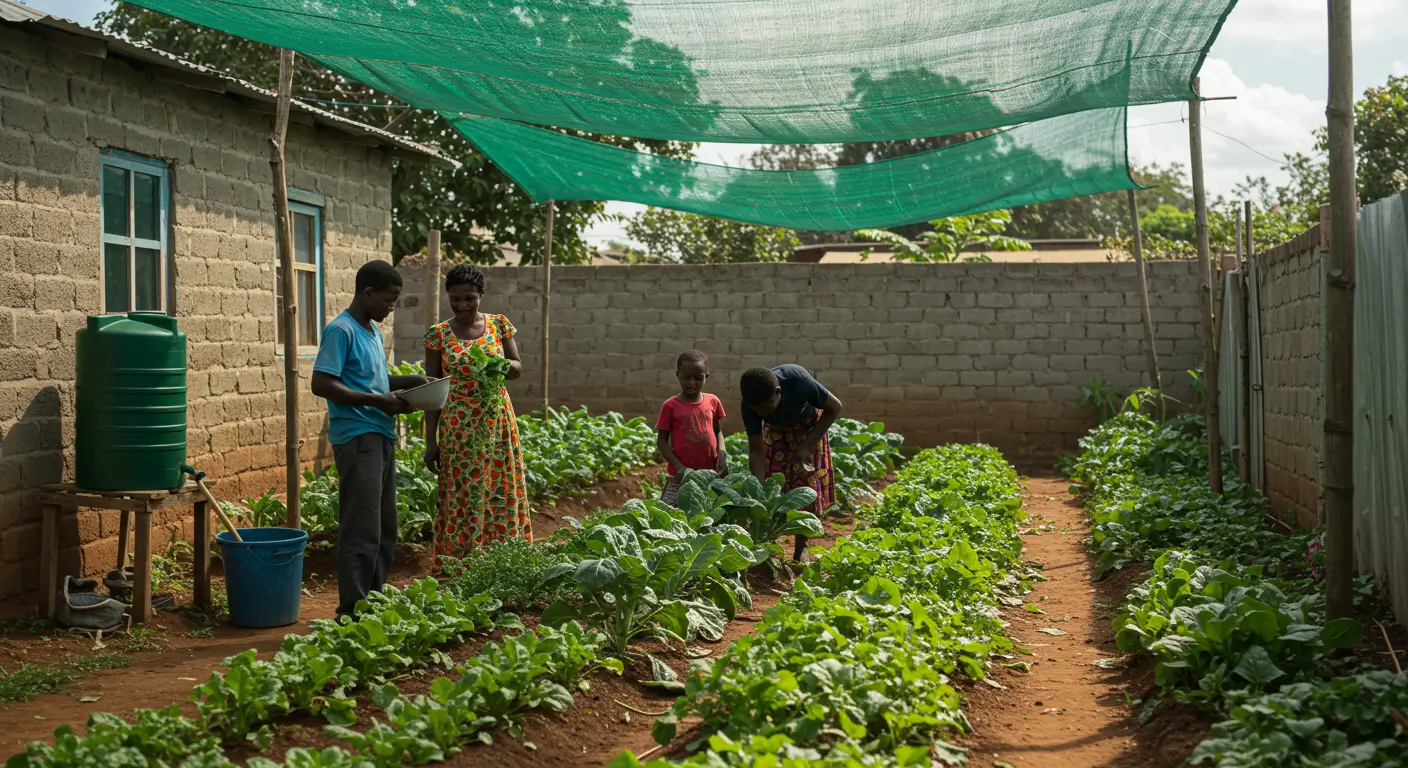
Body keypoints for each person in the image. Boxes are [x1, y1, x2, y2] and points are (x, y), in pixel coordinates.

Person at [311, 260, 427, 620]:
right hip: (358, 437)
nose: (391, 308)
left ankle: (373, 601)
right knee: (361, 528)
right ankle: (353, 610)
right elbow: (322, 383)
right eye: (389, 301)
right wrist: (379, 401)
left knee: (384, 527)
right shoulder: (341, 331)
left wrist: (408, 382)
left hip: (379, 434)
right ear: (368, 292)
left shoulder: (371, 331)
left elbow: (370, 379)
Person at [423, 264, 531, 562]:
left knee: (500, 486)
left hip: (496, 420)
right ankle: (461, 559)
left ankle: (503, 559)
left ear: (481, 294)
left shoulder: (498, 325)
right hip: (458, 425)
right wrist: (431, 442)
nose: (462, 305)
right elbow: (432, 391)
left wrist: (501, 366)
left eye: (469, 298)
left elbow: (518, 366)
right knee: (463, 491)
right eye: (455, 299)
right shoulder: (438, 335)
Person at [739, 365, 843, 561]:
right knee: (772, 484)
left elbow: (834, 407)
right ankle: (769, 544)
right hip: (776, 432)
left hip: (808, 428)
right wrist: (759, 489)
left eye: (768, 407)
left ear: (778, 392)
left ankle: (801, 547)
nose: (762, 413)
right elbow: (756, 449)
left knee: (806, 486)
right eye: (757, 411)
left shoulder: (799, 381)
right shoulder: (750, 404)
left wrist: (807, 445)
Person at [656, 350, 728, 506]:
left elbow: (717, 431)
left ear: (706, 376)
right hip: (680, 475)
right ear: (677, 375)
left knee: (707, 511)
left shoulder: (713, 401)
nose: (692, 383)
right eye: (686, 378)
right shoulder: (670, 406)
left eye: (698, 378)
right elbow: (662, 441)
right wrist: (679, 467)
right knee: (670, 511)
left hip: (709, 475)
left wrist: (722, 453)